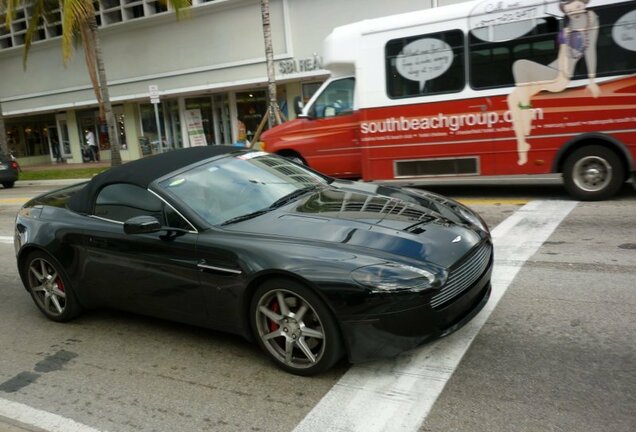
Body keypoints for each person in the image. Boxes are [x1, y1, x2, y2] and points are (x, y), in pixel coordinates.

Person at [507, 0, 600, 166]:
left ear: (584, 4)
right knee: (511, 99)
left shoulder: (591, 19)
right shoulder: (567, 25)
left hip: (560, 75)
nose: (575, 11)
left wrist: (592, 80)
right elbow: (562, 53)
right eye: (570, 9)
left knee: (518, 65)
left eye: (578, 6)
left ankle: (526, 112)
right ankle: (523, 145)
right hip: (551, 70)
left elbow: (591, 50)